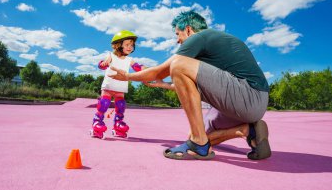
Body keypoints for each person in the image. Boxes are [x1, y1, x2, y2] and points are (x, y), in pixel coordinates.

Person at [109, 11, 271, 160]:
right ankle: (248, 131)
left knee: (179, 64)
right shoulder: (213, 49)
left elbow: (161, 71)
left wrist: (127, 76)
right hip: (250, 100)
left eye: (178, 34)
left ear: (188, 29)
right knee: (196, 132)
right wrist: (163, 85)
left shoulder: (201, 36)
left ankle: (199, 144)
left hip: (249, 95)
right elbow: (192, 88)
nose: (177, 40)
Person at [90, 30, 145, 139]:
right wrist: (103, 64)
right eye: (127, 44)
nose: (130, 47)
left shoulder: (129, 59)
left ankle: (118, 124)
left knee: (120, 106)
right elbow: (102, 64)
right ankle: (97, 123)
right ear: (118, 45)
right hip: (109, 85)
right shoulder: (111, 55)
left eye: (132, 45)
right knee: (104, 104)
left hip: (121, 87)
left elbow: (137, 67)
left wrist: (145, 69)